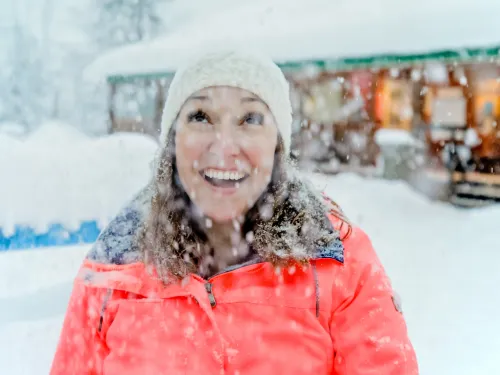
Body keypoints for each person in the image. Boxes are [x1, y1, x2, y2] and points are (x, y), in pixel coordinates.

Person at [50, 50, 418, 374]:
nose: (224, 147)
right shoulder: (111, 268)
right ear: (172, 141)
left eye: (250, 119)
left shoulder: (341, 264)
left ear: (278, 144)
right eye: (200, 116)